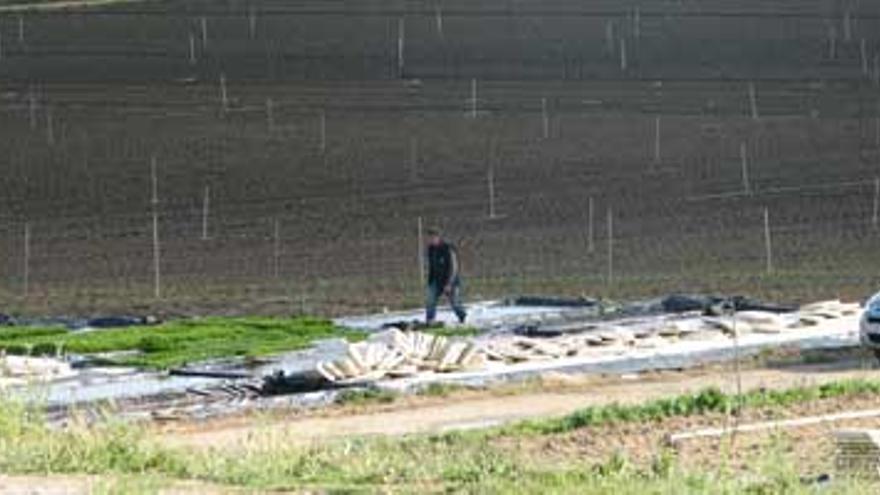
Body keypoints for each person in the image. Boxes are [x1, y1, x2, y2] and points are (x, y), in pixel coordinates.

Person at [425, 228, 467, 325]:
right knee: (430, 300)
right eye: (429, 238)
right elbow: (432, 266)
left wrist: (449, 284)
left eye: (432, 237)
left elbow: (453, 268)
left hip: (450, 281)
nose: (430, 240)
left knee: (454, 303)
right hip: (436, 281)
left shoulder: (448, 249)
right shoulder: (431, 249)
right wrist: (430, 281)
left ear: (438, 237)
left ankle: (462, 316)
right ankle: (430, 321)